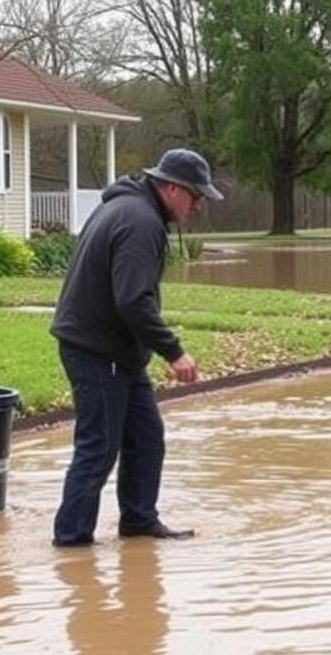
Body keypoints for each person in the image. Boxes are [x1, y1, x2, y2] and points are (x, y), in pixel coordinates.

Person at [50, 148, 223, 547]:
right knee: (98, 448)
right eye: (195, 196)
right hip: (97, 349)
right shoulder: (141, 221)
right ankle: (72, 541)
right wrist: (174, 351)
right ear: (172, 188)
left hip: (113, 349)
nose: (197, 205)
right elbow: (133, 300)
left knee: (146, 436)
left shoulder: (128, 207)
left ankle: (139, 521)